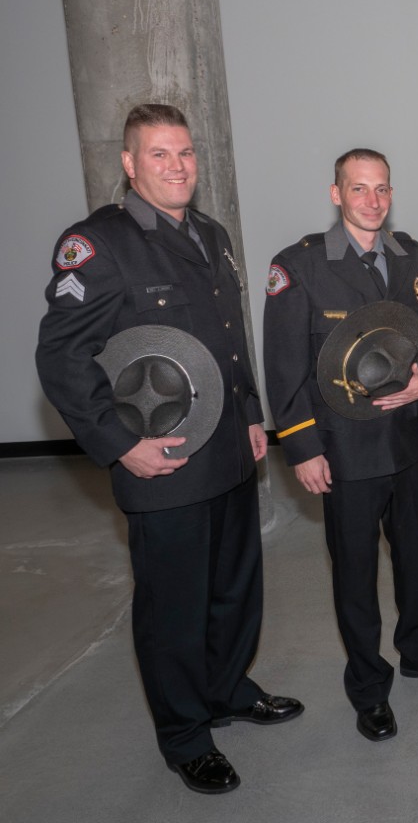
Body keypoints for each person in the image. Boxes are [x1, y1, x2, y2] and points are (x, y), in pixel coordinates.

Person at [35, 103, 301, 795]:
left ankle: (227, 691)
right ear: (129, 163)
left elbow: (225, 335)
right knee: (174, 604)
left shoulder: (209, 234)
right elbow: (62, 357)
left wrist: (249, 414)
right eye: (159, 154)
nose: (177, 165)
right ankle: (186, 736)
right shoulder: (98, 245)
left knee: (235, 588)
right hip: (162, 461)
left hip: (228, 449)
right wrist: (123, 446)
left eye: (185, 152)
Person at [262, 147, 418, 744]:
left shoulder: (415, 258)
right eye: (359, 189)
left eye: (381, 189)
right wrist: (303, 448)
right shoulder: (299, 266)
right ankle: (368, 686)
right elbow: (284, 369)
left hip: (407, 440)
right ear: (337, 194)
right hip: (342, 450)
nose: (372, 201)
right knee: (355, 573)